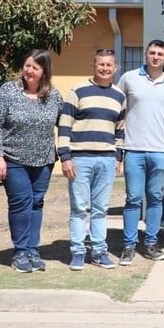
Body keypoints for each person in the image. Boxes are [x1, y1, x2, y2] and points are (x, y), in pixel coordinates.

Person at [0, 50, 62, 273]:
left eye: (35, 68)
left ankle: (33, 249)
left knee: (37, 203)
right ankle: (20, 252)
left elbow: (65, 123)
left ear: (44, 72)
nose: (29, 71)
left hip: (44, 160)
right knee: (21, 202)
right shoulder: (9, 91)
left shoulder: (54, 96)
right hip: (13, 159)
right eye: (27, 65)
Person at [58, 49, 125, 271]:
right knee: (78, 208)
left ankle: (99, 251)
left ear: (115, 68)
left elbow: (120, 131)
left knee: (100, 209)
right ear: (94, 66)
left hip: (106, 160)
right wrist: (65, 157)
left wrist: (118, 157)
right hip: (80, 158)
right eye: (101, 64)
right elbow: (65, 125)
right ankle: (77, 252)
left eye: (109, 65)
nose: (105, 68)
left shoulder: (119, 96)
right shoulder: (78, 91)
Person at [117, 40, 164, 265]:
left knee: (154, 199)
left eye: (160, 53)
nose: (155, 57)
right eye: (152, 53)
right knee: (133, 199)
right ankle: (128, 246)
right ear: (146, 55)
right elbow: (117, 110)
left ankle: (151, 244)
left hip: (161, 152)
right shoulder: (129, 78)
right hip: (133, 149)